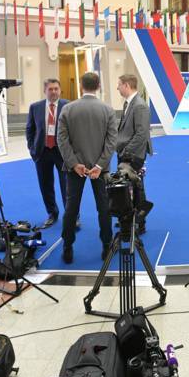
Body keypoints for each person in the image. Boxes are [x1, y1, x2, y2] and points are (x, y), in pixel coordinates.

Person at [56, 72, 117, 265]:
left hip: (75, 169)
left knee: (71, 208)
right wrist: (100, 164)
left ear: (81, 86)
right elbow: (111, 141)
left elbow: (62, 140)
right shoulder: (108, 110)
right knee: (104, 209)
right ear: (98, 86)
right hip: (101, 170)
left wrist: (74, 164)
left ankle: (67, 247)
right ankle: (107, 246)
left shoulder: (67, 109)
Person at [25, 78, 68, 227]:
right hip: (42, 152)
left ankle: (72, 216)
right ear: (45, 91)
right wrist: (32, 149)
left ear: (60, 90)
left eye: (56, 88)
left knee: (67, 185)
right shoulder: (35, 107)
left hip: (62, 152)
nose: (54, 92)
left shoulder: (68, 106)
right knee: (45, 185)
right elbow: (30, 130)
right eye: (50, 89)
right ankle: (52, 213)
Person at [115, 74, 153, 235]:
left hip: (133, 155)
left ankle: (139, 222)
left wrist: (126, 152)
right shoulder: (128, 104)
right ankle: (130, 220)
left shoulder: (139, 106)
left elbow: (141, 134)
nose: (117, 88)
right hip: (127, 153)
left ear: (126, 85)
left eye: (119, 85)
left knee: (136, 188)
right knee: (128, 188)